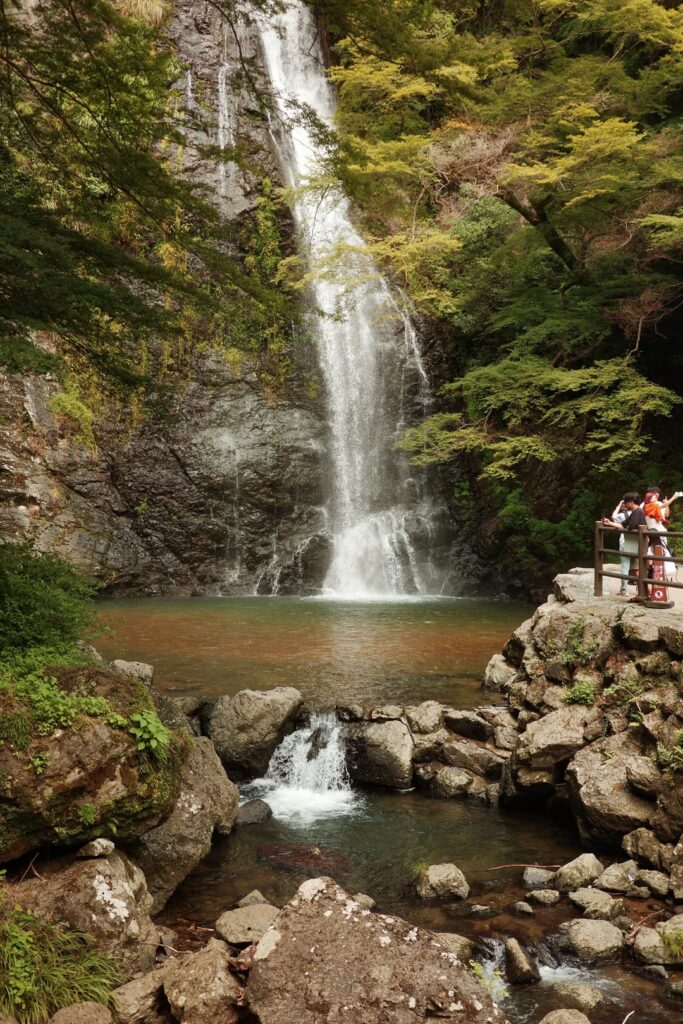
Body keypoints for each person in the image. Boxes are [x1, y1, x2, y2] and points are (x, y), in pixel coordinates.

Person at [602, 492, 646, 595]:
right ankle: (641, 592)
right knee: (635, 569)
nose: (625, 505)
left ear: (630, 502)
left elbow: (629, 527)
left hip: (633, 545)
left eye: (625, 502)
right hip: (634, 545)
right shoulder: (636, 511)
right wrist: (610, 523)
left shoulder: (638, 512)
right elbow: (623, 525)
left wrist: (625, 527)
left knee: (626, 567)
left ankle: (625, 590)